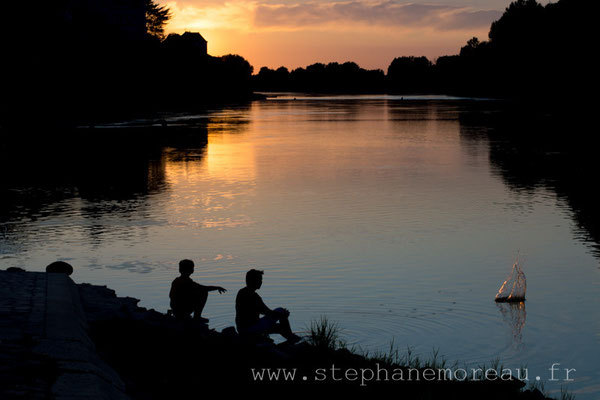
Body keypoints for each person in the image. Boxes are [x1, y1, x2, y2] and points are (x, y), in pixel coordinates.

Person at [235, 269, 301, 343]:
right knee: (281, 310)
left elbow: (265, 312)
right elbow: (268, 313)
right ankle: (292, 338)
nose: (261, 282)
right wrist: (283, 314)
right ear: (253, 281)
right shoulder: (253, 296)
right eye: (259, 280)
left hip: (241, 329)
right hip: (250, 329)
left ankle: (292, 339)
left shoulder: (241, 292)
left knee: (280, 327)